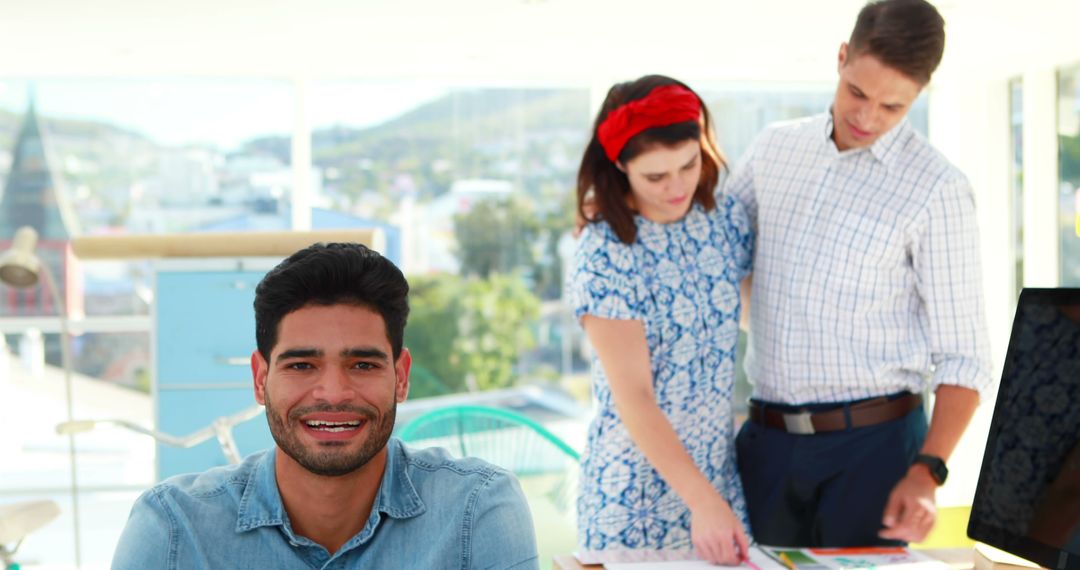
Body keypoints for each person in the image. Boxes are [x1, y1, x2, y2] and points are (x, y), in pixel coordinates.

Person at [728, 0, 992, 547]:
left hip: (874, 451)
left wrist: (928, 471)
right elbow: (717, 257)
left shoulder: (937, 190)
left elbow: (966, 358)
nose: (867, 118)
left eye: (892, 107)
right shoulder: (774, 149)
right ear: (842, 58)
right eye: (858, 93)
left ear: (919, 95)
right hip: (766, 442)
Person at [112, 243, 539, 569]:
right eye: (301, 364)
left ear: (401, 376)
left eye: (362, 364)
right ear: (261, 379)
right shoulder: (171, 529)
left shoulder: (477, 510)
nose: (333, 393)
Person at [569, 75, 753, 565]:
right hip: (633, 502)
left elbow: (758, 317)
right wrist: (703, 502)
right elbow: (634, 397)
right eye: (655, 177)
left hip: (716, 480)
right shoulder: (605, 251)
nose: (677, 187)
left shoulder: (724, 219)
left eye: (688, 164)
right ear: (620, 167)